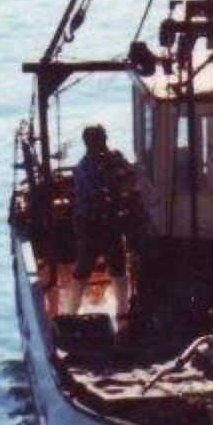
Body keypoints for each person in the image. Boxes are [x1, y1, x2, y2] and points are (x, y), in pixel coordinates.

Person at [68, 124, 132, 319]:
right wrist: (116, 185)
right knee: (84, 267)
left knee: (118, 265)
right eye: (98, 141)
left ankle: (123, 310)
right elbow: (99, 194)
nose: (102, 144)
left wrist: (122, 170)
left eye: (103, 139)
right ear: (89, 144)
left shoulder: (114, 158)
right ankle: (71, 312)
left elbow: (129, 175)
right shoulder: (83, 169)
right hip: (90, 223)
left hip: (110, 221)